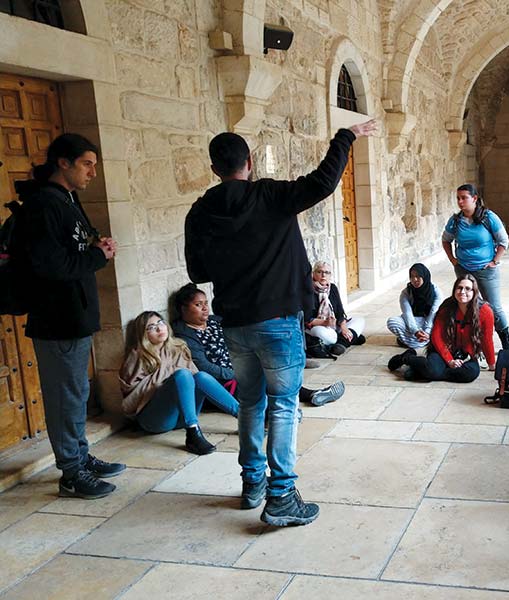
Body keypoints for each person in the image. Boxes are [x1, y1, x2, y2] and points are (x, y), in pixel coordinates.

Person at [185, 118, 378, 526]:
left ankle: (253, 483)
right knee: (284, 407)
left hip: (235, 324)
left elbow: (196, 270)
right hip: (276, 321)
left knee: (251, 403)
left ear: (214, 168)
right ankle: (281, 495)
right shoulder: (268, 195)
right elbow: (323, 182)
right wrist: (346, 136)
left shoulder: (200, 211)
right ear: (249, 162)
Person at [18, 133, 125, 500]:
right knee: (65, 396)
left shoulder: (66, 199)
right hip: (57, 318)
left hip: (75, 315)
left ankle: (80, 456)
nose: (93, 172)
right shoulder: (43, 205)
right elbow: (51, 265)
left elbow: (74, 248)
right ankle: (71, 472)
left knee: (77, 393)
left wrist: (97, 246)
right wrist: (98, 257)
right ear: (62, 163)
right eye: (86, 164)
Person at [171, 283, 344, 407]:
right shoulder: (184, 334)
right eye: (198, 305)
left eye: (205, 304)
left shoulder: (215, 321)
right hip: (223, 382)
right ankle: (289, 406)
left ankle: (308, 395)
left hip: (241, 366)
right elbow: (203, 366)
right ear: (183, 309)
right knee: (259, 384)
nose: (205, 309)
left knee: (272, 371)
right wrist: (234, 373)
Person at [119, 311, 239, 455]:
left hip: (182, 416)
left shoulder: (178, 347)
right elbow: (131, 396)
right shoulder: (138, 355)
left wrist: (173, 375)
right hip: (155, 420)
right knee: (182, 375)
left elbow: (193, 378)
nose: (159, 328)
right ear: (143, 334)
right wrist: (170, 379)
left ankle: (245, 417)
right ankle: (193, 433)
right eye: (151, 327)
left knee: (200, 376)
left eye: (160, 323)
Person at [441, 184, 509, 351]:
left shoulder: (489, 217)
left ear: (474, 198)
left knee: (494, 307)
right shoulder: (456, 220)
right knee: (466, 305)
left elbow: (504, 241)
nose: (460, 201)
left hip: (486, 270)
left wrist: (494, 261)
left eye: (464, 198)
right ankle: (469, 342)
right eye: (458, 198)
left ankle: (506, 342)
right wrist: (452, 259)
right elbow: (446, 240)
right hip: (463, 269)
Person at [394, 274, 496, 382]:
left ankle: (422, 372)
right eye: (459, 288)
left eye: (468, 289)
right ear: (454, 290)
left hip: (465, 355)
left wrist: (491, 364)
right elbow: (436, 336)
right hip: (443, 349)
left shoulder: (485, 311)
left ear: (474, 292)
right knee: (434, 369)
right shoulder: (447, 306)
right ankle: (407, 358)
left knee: (471, 373)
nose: (462, 292)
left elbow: (487, 339)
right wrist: (450, 361)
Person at [304, 260, 366, 357]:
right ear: (313, 274)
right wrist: (325, 323)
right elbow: (307, 319)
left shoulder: (332, 288)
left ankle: (340, 343)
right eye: (320, 272)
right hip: (317, 326)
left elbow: (340, 312)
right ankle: (347, 340)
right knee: (327, 336)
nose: (323, 275)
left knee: (360, 320)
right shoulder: (307, 290)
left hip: (334, 325)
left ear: (330, 275)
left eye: (327, 272)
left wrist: (344, 327)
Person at [386, 263, 442, 364]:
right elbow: (407, 313)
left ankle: (412, 341)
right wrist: (415, 331)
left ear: (425, 276)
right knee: (392, 322)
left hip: (429, 321)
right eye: (412, 277)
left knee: (442, 323)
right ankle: (423, 341)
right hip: (414, 321)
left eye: (418, 276)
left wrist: (427, 331)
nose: (415, 280)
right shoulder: (406, 292)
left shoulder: (435, 291)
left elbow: (433, 312)